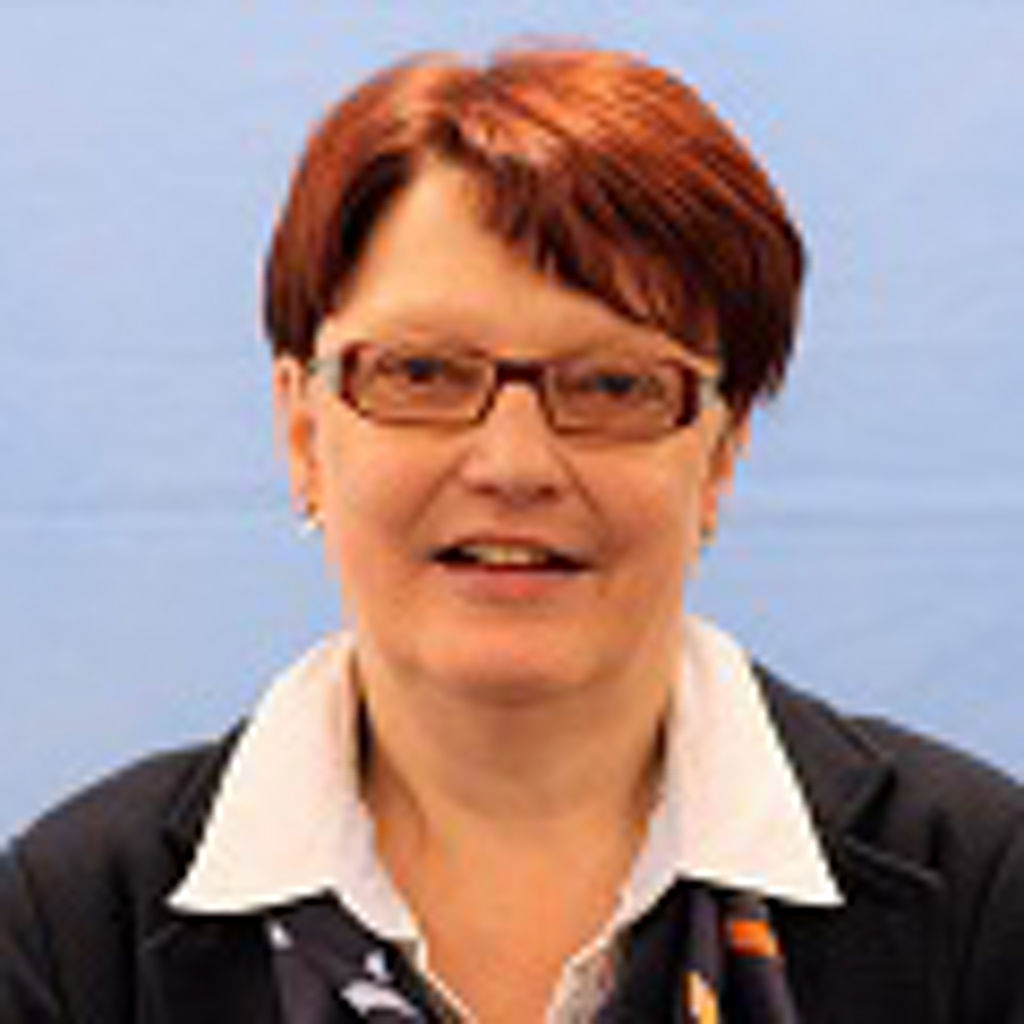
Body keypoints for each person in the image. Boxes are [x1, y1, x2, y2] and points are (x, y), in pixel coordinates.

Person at [1, 44, 1022, 1024]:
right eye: (421, 373)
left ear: (718, 455)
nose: (513, 464)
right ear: (303, 432)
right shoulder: (72, 926)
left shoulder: (981, 894)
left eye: (612, 385)